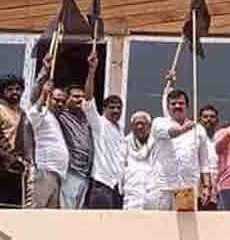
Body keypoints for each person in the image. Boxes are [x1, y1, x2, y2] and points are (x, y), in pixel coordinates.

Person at [151, 88, 214, 211]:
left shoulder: (199, 129)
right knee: (161, 225)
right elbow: (171, 133)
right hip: (164, 186)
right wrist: (184, 129)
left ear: (187, 106)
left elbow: (204, 162)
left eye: (181, 103)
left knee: (186, 228)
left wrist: (206, 186)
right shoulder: (159, 123)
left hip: (188, 187)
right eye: (173, 104)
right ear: (168, 107)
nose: (177, 106)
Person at [82, 54, 125, 209]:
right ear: (103, 109)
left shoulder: (120, 131)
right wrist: (92, 71)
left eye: (119, 107)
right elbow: (88, 98)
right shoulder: (99, 123)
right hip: (101, 185)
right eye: (112, 107)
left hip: (117, 188)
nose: (116, 110)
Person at [26, 64, 69, 210]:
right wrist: (44, 93)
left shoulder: (56, 119)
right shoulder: (43, 112)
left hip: (56, 175)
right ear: (49, 98)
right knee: (35, 214)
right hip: (43, 171)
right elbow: (32, 116)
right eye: (56, 99)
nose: (60, 103)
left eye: (63, 101)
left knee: (48, 219)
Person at [0, 74, 26, 209]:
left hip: (19, 168)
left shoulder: (22, 113)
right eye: (10, 89)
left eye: (18, 89)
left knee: (16, 210)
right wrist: (8, 158)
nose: (15, 92)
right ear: (2, 92)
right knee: (1, 208)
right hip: (3, 167)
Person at [56, 83, 94, 209]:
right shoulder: (61, 115)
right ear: (66, 100)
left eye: (82, 97)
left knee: (78, 216)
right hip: (71, 172)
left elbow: (89, 97)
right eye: (76, 96)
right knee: (66, 214)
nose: (80, 100)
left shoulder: (85, 119)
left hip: (85, 175)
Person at [122, 111, 157, 211]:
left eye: (143, 123)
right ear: (132, 127)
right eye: (136, 124)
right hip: (131, 197)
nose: (140, 127)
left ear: (149, 126)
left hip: (152, 196)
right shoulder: (125, 143)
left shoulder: (157, 143)